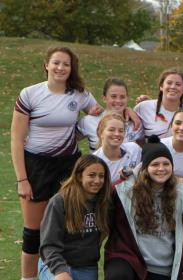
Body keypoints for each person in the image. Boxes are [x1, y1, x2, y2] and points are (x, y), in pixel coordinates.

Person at [11, 46, 102, 279]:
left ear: (72, 69)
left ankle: (61, 273)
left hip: (69, 166)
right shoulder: (30, 94)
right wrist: (22, 179)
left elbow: (100, 117)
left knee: (68, 227)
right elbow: (16, 138)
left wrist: (128, 111)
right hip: (36, 166)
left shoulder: (79, 94)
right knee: (34, 232)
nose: (61, 68)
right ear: (46, 65)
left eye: (66, 64)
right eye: (57, 63)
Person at [104, 136, 183, 280]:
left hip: (163, 268)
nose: (161, 169)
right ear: (145, 167)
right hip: (131, 260)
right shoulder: (125, 191)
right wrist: (125, 177)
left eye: (166, 164)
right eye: (155, 164)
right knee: (118, 275)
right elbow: (101, 199)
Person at [38, 155, 112, 280]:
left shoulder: (105, 202)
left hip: (86, 266)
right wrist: (60, 271)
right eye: (92, 175)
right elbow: (48, 244)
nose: (97, 180)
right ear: (79, 176)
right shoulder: (59, 202)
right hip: (57, 264)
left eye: (101, 176)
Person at [77, 78, 143, 151]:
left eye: (122, 97)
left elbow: (143, 148)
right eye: (113, 96)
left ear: (127, 98)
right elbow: (69, 140)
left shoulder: (136, 122)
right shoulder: (89, 121)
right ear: (104, 98)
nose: (118, 101)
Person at [134, 68, 183, 138]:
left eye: (178, 84)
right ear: (161, 86)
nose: (173, 87)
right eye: (169, 83)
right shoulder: (143, 108)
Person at [92, 113, 142, 185]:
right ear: (100, 133)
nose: (117, 134)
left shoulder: (134, 149)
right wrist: (121, 180)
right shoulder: (95, 161)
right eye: (111, 130)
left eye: (121, 131)